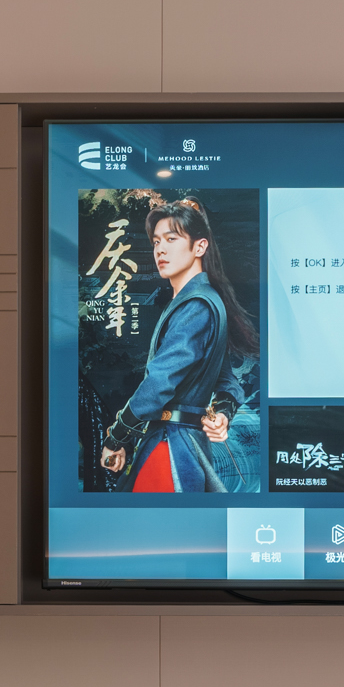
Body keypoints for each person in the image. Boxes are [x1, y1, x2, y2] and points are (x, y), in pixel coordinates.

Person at [97, 197, 260, 492]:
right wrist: (222, 413)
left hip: (170, 447)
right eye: (156, 241)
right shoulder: (201, 301)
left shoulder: (196, 305)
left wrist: (116, 437)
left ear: (200, 246)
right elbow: (226, 380)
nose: (160, 249)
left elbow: (159, 385)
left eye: (172, 239)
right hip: (184, 443)